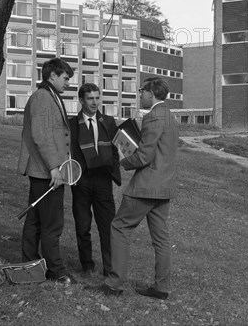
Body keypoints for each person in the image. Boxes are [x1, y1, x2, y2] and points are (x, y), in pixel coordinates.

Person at [88, 76, 179, 299]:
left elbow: (145, 156)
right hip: (164, 187)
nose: (140, 95)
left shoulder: (152, 118)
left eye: (141, 91)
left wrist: (123, 159)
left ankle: (114, 284)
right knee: (161, 238)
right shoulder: (170, 117)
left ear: (151, 93)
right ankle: (162, 288)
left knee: (119, 227)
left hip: (146, 187)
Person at [17, 58, 75, 286]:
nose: (68, 83)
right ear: (52, 76)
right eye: (65, 78)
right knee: (52, 223)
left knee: (36, 220)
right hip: (46, 171)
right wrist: (54, 167)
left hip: (45, 170)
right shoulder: (42, 98)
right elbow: (41, 135)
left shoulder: (49, 96)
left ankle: (30, 265)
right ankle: (56, 271)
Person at [70, 83, 121, 277]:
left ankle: (110, 268)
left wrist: (113, 172)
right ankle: (87, 265)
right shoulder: (72, 125)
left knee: (107, 226)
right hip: (81, 181)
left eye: (97, 98)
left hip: (103, 181)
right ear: (81, 100)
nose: (94, 102)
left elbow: (116, 150)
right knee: (83, 226)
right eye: (90, 98)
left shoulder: (108, 121)